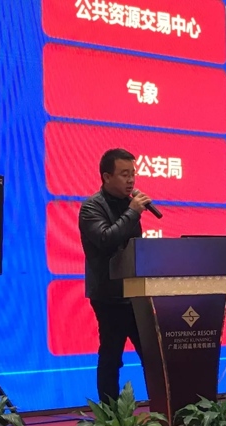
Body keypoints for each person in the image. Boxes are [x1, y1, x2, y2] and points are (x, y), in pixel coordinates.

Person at [78, 148, 153, 403]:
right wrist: (132, 212)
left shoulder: (129, 205)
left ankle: (163, 409)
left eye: (133, 174)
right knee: (111, 357)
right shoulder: (91, 207)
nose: (131, 180)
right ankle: (110, 417)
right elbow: (106, 240)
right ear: (106, 177)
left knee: (152, 355)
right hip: (108, 296)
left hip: (136, 294)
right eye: (124, 174)